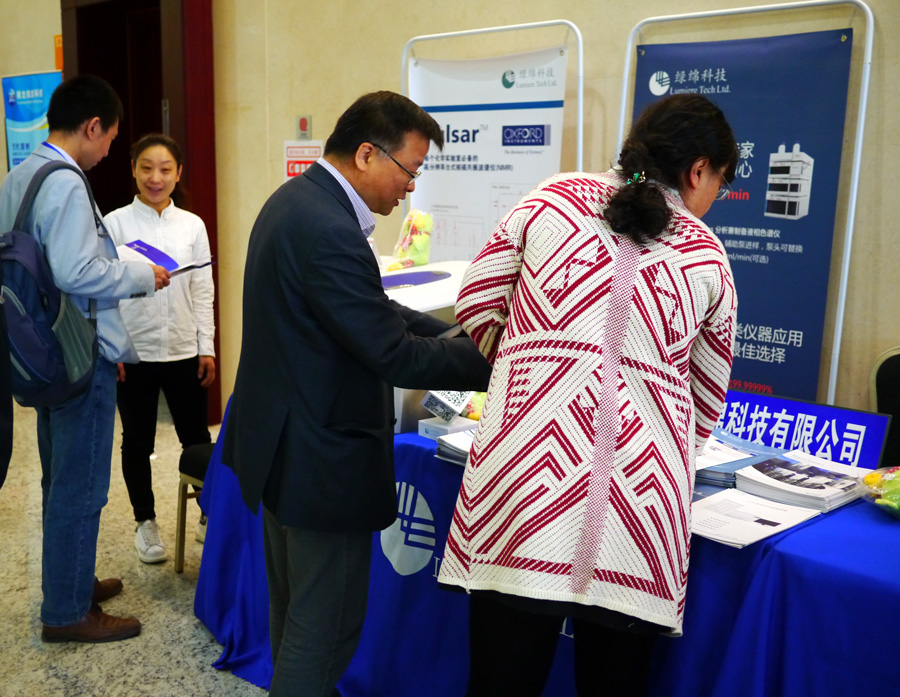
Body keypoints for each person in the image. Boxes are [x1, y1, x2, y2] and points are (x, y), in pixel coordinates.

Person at [437, 94, 739, 697]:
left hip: (523, 493)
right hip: (638, 514)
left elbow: (476, 300)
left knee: (499, 685)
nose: (714, 197)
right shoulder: (707, 255)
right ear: (698, 170)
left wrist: (531, 375)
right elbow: (707, 397)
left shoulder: (551, 199)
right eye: (719, 183)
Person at [222, 90, 492, 697]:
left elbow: (371, 310)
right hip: (322, 463)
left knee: (296, 618)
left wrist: (457, 331)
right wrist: (493, 358)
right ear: (367, 154)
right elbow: (392, 353)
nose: (410, 188)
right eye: (409, 170)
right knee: (326, 630)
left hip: (284, 448)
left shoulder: (297, 201)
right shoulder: (330, 229)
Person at [0, 75, 171, 643]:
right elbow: (79, 272)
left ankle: (70, 580)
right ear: (93, 126)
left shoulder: (20, 175)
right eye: (111, 140)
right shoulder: (68, 182)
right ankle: (68, 611)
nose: (106, 153)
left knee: (59, 476)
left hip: (39, 350)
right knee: (82, 484)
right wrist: (142, 275)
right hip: (75, 355)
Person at [105, 133, 214, 563]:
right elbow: (103, 293)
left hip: (184, 349)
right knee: (137, 441)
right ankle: (145, 522)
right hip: (135, 351)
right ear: (133, 170)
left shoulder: (192, 225)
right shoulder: (114, 224)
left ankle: (209, 514)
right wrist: (113, 347)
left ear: (178, 173)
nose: (156, 177)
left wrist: (207, 346)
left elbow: (202, 291)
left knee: (197, 439)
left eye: (165, 169)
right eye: (147, 168)